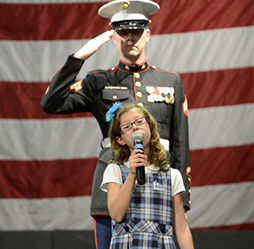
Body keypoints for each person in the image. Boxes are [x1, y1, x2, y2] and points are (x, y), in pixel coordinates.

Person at [40, 0, 191, 248]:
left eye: (137, 30)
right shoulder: (99, 80)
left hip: (160, 185)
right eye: (122, 31)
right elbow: (51, 103)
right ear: (113, 37)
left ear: (148, 34)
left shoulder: (171, 81)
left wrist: (182, 198)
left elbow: (180, 142)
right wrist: (79, 57)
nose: (130, 37)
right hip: (113, 182)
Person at [101, 102, 194, 249]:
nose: (135, 127)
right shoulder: (115, 170)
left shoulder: (172, 175)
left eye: (139, 121)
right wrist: (132, 175)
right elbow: (117, 214)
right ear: (120, 139)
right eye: (127, 126)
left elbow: (181, 227)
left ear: (150, 126)